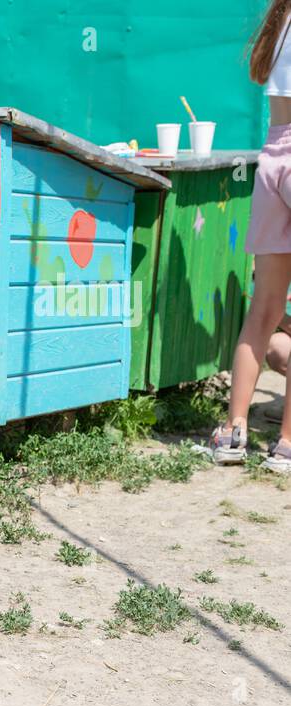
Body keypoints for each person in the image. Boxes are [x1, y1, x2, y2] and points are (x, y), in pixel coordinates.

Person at [212, 0, 291, 472]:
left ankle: (233, 433)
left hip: (272, 160)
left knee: (262, 313)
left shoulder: (279, 22)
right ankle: (285, 445)